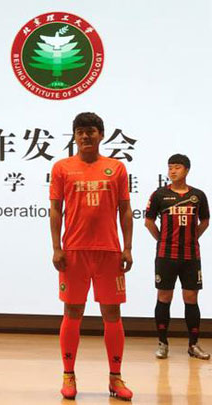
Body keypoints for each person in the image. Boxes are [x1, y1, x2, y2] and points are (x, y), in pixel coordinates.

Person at [49, 112, 133, 401]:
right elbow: (56, 210)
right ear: (74, 136)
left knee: (112, 314)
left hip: (109, 251)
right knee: (73, 312)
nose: (85, 135)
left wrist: (127, 247)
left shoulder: (116, 168)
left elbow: (125, 210)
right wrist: (56, 247)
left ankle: (115, 378)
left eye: (91, 131)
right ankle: (68, 375)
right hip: (74, 251)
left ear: (101, 135)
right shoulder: (62, 168)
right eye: (80, 131)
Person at [145, 154, 210, 360]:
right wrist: (162, 240)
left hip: (191, 256)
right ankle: (162, 343)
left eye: (177, 167)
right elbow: (148, 222)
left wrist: (192, 238)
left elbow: (205, 221)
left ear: (187, 170)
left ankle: (193, 345)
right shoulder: (159, 195)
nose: (172, 171)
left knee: (191, 298)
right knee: (164, 297)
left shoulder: (198, 195)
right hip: (166, 255)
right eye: (170, 167)